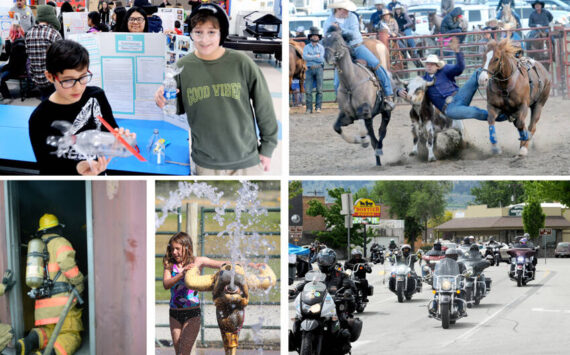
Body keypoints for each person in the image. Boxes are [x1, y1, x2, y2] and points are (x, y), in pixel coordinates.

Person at [154, 3, 278, 175]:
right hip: (206, 161)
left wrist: (267, 146)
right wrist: (163, 99)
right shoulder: (181, 67)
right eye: (198, 32)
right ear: (191, 33)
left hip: (246, 158)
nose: (204, 40)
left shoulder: (241, 63)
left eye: (211, 32)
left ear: (222, 33)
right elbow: (179, 107)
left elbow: (264, 107)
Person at [29, 40, 135, 175]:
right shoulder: (40, 118)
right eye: (68, 80)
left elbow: (109, 132)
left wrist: (118, 140)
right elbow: (47, 168)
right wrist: (78, 169)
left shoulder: (97, 96)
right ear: (50, 76)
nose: (78, 87)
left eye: (83, 77)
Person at [16, 214, 85, 355]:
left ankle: (27, 343)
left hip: (42, 306)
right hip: (62, 303)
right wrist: (79, 283)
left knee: (50, 331)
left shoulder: (37, 248)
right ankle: (46, 354)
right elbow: (67, 264)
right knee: (71, 335)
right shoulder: (60, 242)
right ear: (57, 228)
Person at [397, 37, 508, 123]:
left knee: (479, 72)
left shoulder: (445, 70)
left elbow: (460, 68)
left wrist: (458, 52)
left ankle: (503, 88)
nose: (429, 66)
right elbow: (409, 86)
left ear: (437, 65)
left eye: (432, 64)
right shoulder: (422, 80)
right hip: (450, 108)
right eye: (427, 64)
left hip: (459, 95)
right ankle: (502, 117)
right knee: (474, 111)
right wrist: (399, 91)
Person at [163, 232, 227, 355]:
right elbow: (166, 284)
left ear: (187, 247)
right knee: (179, 353)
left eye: (177, 249)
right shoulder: (170, 265)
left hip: (192, 314)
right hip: (174, 314)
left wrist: (250, 265)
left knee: (184, 353)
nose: (174, 252)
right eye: (172, 249)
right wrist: (181, 274)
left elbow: (223, 264)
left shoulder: (197, 261)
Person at [324, 0, 395, 110]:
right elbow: (328, 37)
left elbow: (354, 34)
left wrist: (339, 30)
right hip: (342, 52)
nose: (347, 12)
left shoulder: (352, 17)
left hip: (356, 46)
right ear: (338, 9)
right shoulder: (328, 21)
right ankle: (344, 103)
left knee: (376, 65)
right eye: (345, 10)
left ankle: (388, 95)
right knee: (336, 82)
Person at [291, 248, 357, 353]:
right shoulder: (314, 275)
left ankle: (343, 345)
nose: (325, 263)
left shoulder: (341, 275)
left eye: (327, 260)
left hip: (333, 305)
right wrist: (295, 289)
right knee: (298, 317)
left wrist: (347, 292)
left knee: (342, 320)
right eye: (322, 260)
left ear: (333, 261)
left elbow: (350, 286)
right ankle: (295, 340)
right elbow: (305, 283)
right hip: (316, 302)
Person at [25, 5, 62, 101]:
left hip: (36, 79)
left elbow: (28, 56)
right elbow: (62, 57)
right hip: (52, 79)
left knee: (44, 100)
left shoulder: (29, 33)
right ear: (50, 16)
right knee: (55, 103)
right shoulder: (54, 33)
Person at [0, 23, 26, 101]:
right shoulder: (22, 41)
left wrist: (7, 44)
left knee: (1, 78)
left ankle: (7, 96)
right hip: (21, 67)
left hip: (15, 69)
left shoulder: (15, 45)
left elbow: (11, 63)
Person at [302, 26, 325, 114]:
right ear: (310, 37)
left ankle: (318, 107)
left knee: (319, 89)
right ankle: (309, 108)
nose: (315, 37)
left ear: (318, 37)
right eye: (313, 36)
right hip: (309, 69)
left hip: (319, 68)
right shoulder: (307, 47)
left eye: (316, 36)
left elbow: (322, 59)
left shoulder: (321, 47)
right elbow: (304, 57)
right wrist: (316, 56)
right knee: (308, 90)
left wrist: (310, 57)